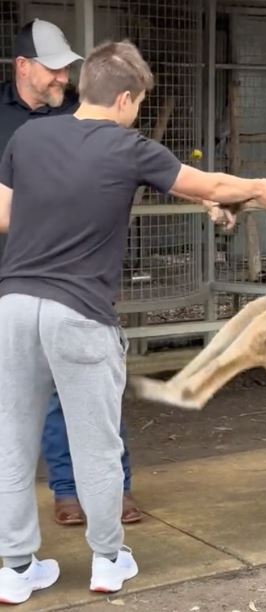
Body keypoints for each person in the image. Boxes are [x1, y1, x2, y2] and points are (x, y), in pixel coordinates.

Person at [0, 38, 266, 602]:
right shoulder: (126, 145)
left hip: (12, 306)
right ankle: (108, 561)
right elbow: (211, 185)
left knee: (11, 440)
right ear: (126, 99)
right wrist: (261, 189)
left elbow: (6, 215)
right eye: (139, 104)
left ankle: (14, 568)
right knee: (96, 444)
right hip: (78, 311)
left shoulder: (28, 136)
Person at [0, 18, 142, 526]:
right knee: (23, 405)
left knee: (88, 387)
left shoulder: (76, 117)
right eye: (54, 69)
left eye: (66, 69)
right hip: (15, 278)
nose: (63, 78)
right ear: (23, 66)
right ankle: (67, 491)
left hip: (77, 279)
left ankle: (106, 489)